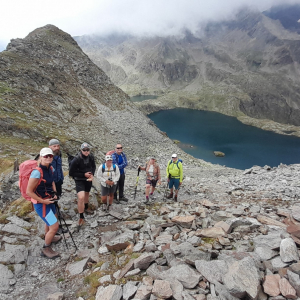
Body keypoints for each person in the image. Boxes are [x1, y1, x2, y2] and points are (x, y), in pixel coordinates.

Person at [26, 147, 61, 259]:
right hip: (41, 204)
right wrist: (43, 201)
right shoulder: (37, 172)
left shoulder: (50, 168)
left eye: (50, 156)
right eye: (45, 156)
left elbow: (52, 182)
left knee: (51, 222)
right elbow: (29, 192)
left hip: (49, 200)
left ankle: (49, 236)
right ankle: (46, 248)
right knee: (55, 226)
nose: (48, 158)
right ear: (40, 157)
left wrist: (54, 192)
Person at [69, 142, 96, 231]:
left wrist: (92, 174)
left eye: (87, 150)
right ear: (81, 150)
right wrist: (83, 174)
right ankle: (81, 216)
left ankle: (86, 207)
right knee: (81, 197)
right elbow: (71, 173)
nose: (86, 152)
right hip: (79, 179)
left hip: (88, 178)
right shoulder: (76, 159)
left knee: (87, 192)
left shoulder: (91, 157)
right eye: (84, 150)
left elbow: (93, 166)